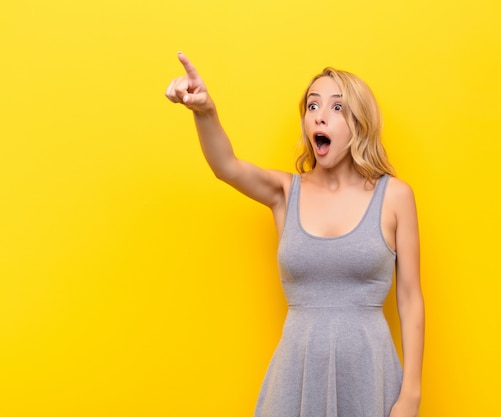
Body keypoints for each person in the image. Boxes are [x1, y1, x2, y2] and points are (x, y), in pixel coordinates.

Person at [165, 52, 424, 417]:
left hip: (369, 374)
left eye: (337, 107)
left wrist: (410, 394)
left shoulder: (395, 196)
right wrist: (205, 111)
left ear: (360, 124)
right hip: (295, 377)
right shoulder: (286, 192)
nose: (320, 114)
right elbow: (226, 166)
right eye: (313, 105)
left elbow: (410, 297)